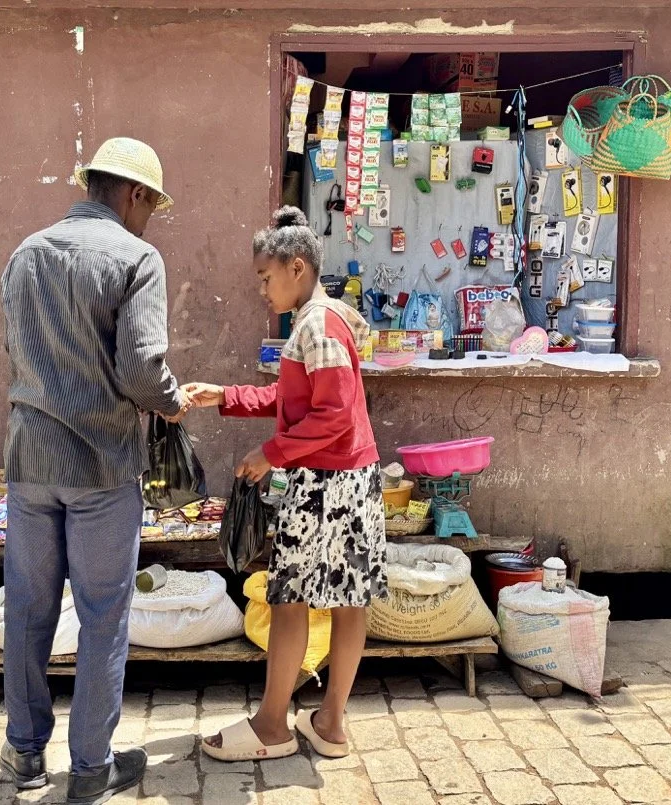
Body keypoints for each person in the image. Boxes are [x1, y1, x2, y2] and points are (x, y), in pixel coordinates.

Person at [0, 137, 188, 804]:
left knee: (27, 608)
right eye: (150, 205)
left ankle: (24, 754)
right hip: (101, 463)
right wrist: (171, 400)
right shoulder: (137, 257)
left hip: (29, 460)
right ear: (133, 194)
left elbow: (16, 353)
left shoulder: (25, 253)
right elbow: (141, 369)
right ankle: (89, 767)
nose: (149, 218)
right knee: (104, 615)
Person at [182, 206, 387, 763]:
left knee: (291, 599)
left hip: (325, 486)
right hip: (356, 481)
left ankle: (273, 726)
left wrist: (270, 453)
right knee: (349, 604)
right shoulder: (329, 319)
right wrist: (226, 395)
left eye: (265, 278)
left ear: (297, 268)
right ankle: (330, 724)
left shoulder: (315, 326)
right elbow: (297, 402)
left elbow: (334, 416)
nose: (262, 289)